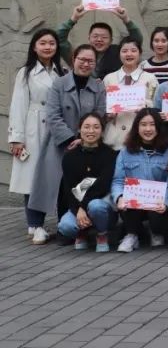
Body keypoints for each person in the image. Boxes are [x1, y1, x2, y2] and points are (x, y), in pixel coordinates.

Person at [36, 44, 106, 245]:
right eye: (82, 59)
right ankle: (64, 227)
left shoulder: (98, 87)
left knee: (83, 184)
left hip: (88, 143)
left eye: (90, 61)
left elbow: (100, 114)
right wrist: (69, 139)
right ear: (74, 59)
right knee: (61, 186)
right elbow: (53, 115)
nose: (86, 64)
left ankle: (84, 227)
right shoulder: (59, 84)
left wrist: (84, 137)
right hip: (61, 144)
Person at [8, 29, 64, 238]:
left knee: (55, 175)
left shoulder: (60, 72)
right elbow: (18, 106)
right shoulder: (26, 73)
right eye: (43, 43)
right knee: (32, 176)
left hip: (55, 127)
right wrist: (17, 138)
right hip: (33, 126)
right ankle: (34, 223)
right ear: (34, 47)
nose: (48, 47)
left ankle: (58, 222)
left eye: (52, 43)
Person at [112, 108, 168, 253]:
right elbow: (118, 180)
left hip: (156, 204)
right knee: (127, 201)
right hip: (133, 205)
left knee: (157, 216)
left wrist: (165, 202)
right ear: (136, 127)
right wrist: (119, 197)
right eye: (143, 124)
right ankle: (131, 235)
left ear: (158, 128)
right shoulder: (125, 152)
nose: (148, 129)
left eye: (152, 125)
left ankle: (155, 232)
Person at [56, 113, 116, 252]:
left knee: (96, 206)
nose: (91, 131)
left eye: (96, 127)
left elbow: (102, 186)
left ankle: (102, 234)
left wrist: (83, 207)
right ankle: (81, 232)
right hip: (79, 203)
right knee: (65, 226)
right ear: (79, 129)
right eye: (87, 127)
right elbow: (69, 189)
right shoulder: (70, 157)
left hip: (102, 203)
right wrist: (77, 210)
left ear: (102, 130)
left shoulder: (110, 155)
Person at [57, 3, 142, 78]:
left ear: (111, 40)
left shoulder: (119, 53)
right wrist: (73, 18)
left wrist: (126, 19)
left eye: (104, 37)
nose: (99, 40)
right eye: (95, 36)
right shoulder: (79, 54)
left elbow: (136, 40)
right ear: (89, 38)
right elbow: (59, 39)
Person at [103, 36, 158, 150]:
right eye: (124, 51)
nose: (129, 54)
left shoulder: (150, 79)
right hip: (113, 139)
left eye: (133, 50)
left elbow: (156, 107)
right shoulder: (109, 79)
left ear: (140, 53)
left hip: (140, 138)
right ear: (119, 54)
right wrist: (108, 114)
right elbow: (101, 106)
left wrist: (145, 106)